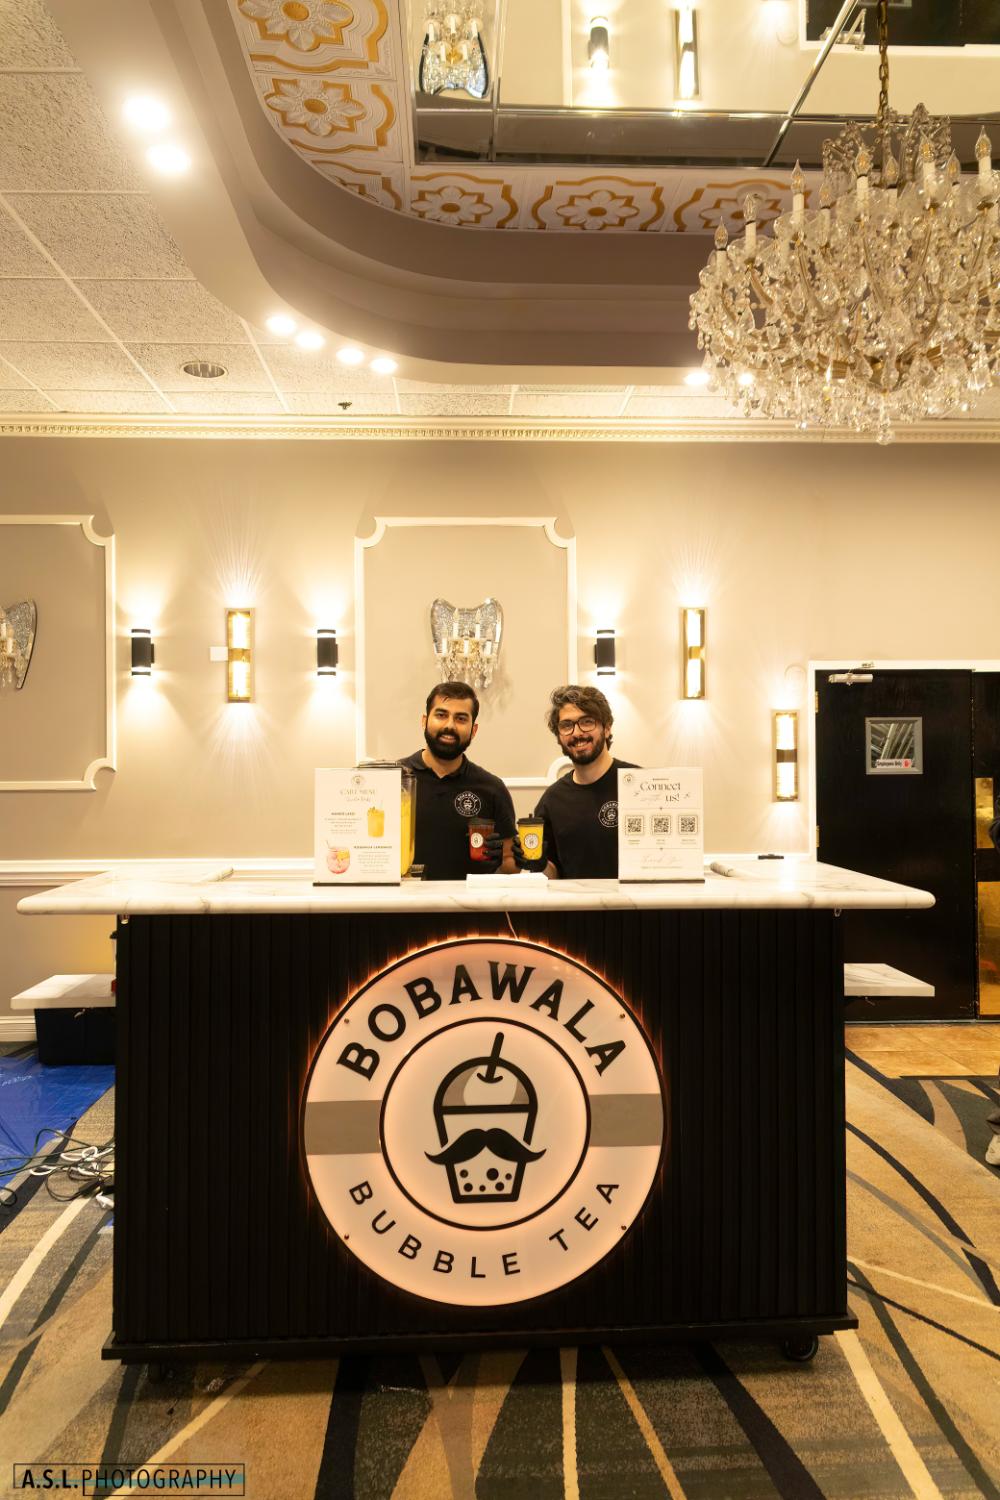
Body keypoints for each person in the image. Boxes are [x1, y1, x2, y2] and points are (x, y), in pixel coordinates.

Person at [516, 685, 636, 879]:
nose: (577, 733)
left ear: (606, 728)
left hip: (637, 899)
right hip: (573, 900)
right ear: (559, 737)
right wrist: (538, 863)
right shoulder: (552, 800)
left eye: (587, 722)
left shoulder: (639, 784)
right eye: (566, 725)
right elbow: (553, 877)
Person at [402, 681, 516, 879]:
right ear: (424, 721)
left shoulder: (492, 788)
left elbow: (511, 863)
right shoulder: (393, 779)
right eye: (441, 715)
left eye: (461, 718)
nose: (449, 725)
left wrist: (499, 862)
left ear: (474, 730)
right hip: (402, 898)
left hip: (472, 898)